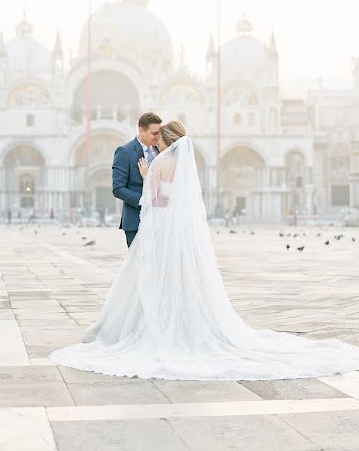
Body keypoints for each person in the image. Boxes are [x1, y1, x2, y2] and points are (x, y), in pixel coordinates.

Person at [50, 121, 359, 381]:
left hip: (158, 236)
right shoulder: (184, 166)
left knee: (151, 283)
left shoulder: (158, 164)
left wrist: (147, 179)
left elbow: (156, 203)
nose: (156, 141)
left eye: (160, 137)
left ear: (166, 141)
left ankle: (153, 327)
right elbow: (175, 203)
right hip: (180, 238)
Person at [111, 111, 162, 248]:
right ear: (141, 130)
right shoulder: (124, 152)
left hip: (160, 220)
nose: (158, 137)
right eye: (154, 133)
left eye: (159, 132)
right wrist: (145, 201)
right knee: (138, 267)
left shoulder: (161, 151)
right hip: (135, 221)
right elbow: (118, 188)